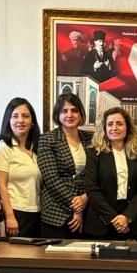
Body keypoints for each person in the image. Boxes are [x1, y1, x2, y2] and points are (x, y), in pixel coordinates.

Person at [83, 106, 137, 238]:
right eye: (110, 124)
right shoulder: (94, 153)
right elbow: (91, 188)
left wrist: (127, 217)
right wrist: (114, 219)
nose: (114, 128)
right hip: (101, 221)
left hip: (132, 222)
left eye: (119, 124)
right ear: (104, 128)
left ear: (128, 127)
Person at [38, 92, 92, 238]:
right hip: (56, 212)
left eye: (74, 110)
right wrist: (77, 206)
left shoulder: (90, 139)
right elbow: (51, 179)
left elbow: (96, 175)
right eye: (64, 111)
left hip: (88, 209)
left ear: (81, 114)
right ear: (57, 115)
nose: (70, 115)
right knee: (56, 259)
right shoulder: (47, 139)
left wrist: (85, 198)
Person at [0, 97, 43, 238]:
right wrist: (10, 217)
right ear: (8, 120)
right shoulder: (2, 148)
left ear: (32, 121)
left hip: (36, 213)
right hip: (15, 214)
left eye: (26, 116)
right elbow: (0, 187)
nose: (20, 120)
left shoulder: (37, 149)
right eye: (15, 116)